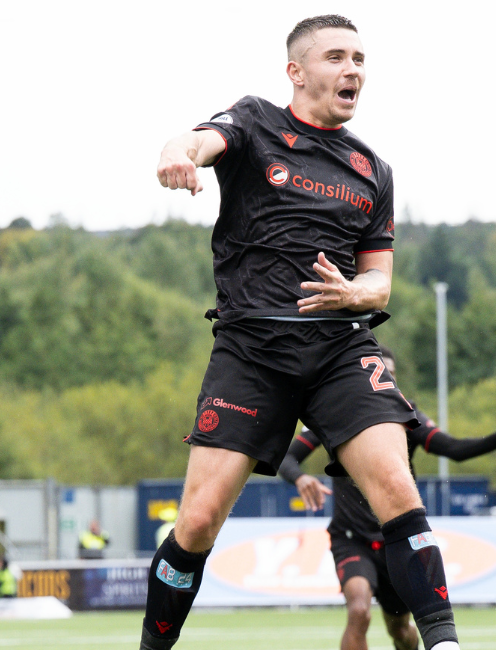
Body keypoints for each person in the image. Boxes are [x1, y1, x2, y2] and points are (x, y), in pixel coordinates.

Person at [146, 15, 460, 650]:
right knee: (199, 520)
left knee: (397, 486)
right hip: (251, 349)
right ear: (297, 71)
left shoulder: (372, 168)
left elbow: (380, 283)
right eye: (337, 57)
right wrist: (176, 153)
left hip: (341, 347)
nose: (353, 70)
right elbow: (200, 139)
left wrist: (353, 294)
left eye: (361, 60)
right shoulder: (257, 120)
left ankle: (447, 644)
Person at [279, 346, 496, 650]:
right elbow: (287, 458)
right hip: (352, 538)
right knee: (359, 611)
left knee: (401, 631)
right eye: (378, 370)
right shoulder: (334, 412)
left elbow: (453, 449)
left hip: (396, 539)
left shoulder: (406, 415)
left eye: (389, 373)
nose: (383, 377)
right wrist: (300, 477)